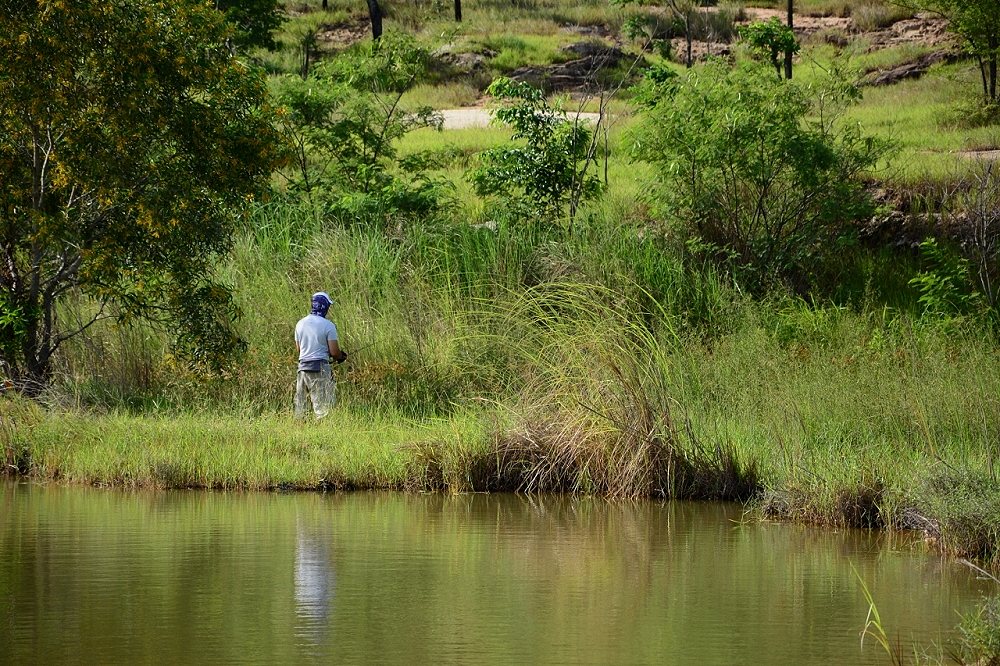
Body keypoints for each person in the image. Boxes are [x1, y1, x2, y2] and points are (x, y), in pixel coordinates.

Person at [294, 292, 347, 419]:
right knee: (322, 409)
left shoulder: (300, 323)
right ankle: (323, 433)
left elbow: (299, 350)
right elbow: (334, 352)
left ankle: (300, 433)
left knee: (301, 408)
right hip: (319, 369)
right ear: (324, 306)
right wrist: (341, 357)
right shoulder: (328, 325)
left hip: (302, 369)